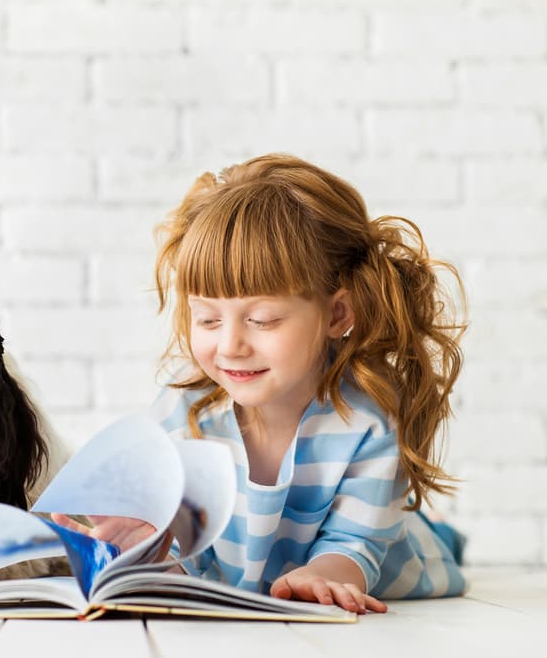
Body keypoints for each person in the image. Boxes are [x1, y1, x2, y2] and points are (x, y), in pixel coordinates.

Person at [55, 153, 468, 614]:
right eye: (207, 318)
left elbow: (357, 544)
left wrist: (323, 576)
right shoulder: (181, 409)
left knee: (424, 534)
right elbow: (189, 563)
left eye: (262, 319)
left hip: (387, 557)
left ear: (337, 314)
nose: (230, 345)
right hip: (243, 571)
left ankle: (440, 528)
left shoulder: (366, 418)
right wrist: (146, 552)